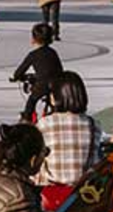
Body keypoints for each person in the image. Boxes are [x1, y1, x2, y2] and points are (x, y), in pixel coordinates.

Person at [35, 73, 100, 203]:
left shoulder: (44, 124)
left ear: (54, 98)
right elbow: (95, 160)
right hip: (80, 195)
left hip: (48, 193)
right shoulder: (93, 124)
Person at [10, 22, 63, 123]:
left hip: (42, 84)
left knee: (32, 100)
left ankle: (27, 119)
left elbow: (19, 72)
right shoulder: (53, 52)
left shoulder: (33, 55)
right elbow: (59, 69)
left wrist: (17, 77)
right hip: (57, 83)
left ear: (33, 39)